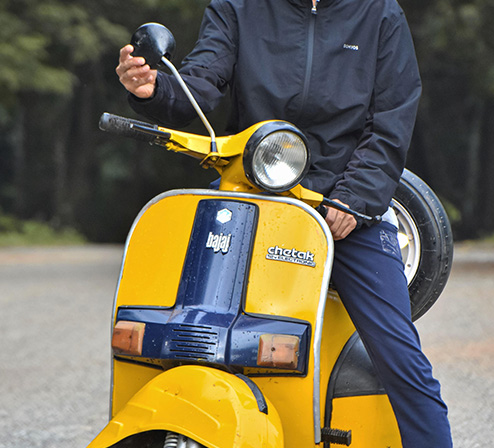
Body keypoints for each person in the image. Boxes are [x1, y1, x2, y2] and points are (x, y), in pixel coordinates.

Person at [114, 0, 452, 446]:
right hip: (252, 195)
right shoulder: (237, 6)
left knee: (400, 357)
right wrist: (155, 89)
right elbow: (202, 83)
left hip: (346, 208)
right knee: (187, 330)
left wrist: (352, 200)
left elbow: (391, 119)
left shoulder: (379, 12)